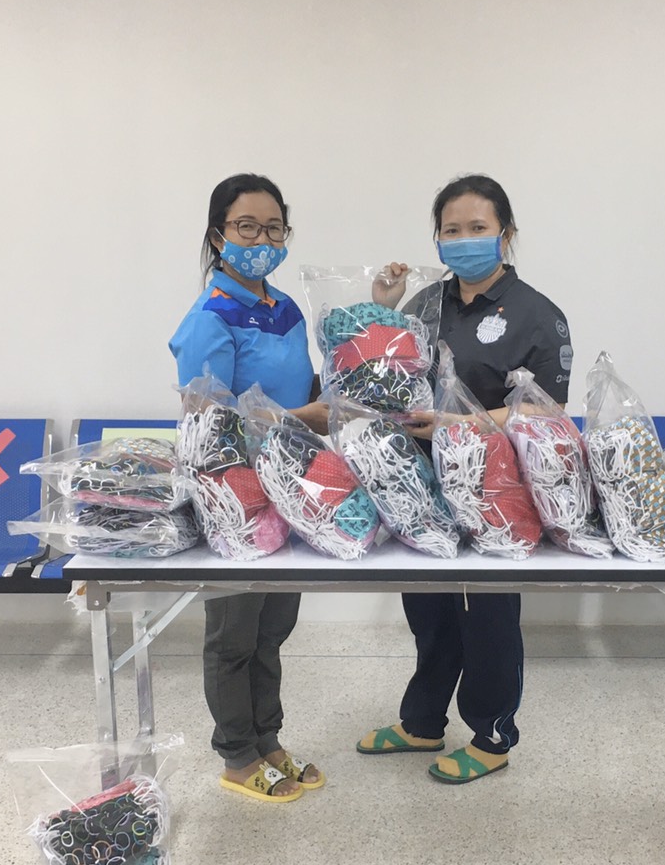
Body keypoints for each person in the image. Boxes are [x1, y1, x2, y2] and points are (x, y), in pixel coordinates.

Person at [356, 174, 573, 784]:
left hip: (495, 492)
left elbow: (546, 410)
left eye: (478, 228)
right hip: (422, 487)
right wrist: (385, 307)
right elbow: (386, 374)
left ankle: (492, 734)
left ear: (506, 233)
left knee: (489, 616)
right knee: (429, 608)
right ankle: (423, 721)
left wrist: (459, 424)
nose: (463, 240)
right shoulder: (426, 304)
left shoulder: (538, 316)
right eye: (451, 230)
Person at [168, 172, 328, 803]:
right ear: (218, 236)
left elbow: (304, 388)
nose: (262, 240)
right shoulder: (210, 317)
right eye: (246, 228)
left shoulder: (284, 308)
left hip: (290, 486)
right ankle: (237, 754)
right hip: (234, 494)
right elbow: (208, 421)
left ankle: (269, 739)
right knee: (234, 631)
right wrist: (302, 418)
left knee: (273, 627)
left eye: (273, 228)